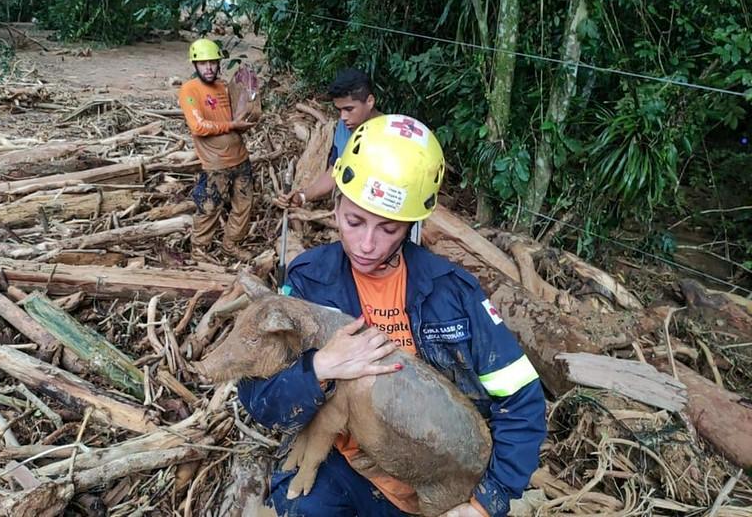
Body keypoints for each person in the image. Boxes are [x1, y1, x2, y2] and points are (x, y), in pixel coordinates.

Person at [239, 115, 547, 517]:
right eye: (354, 222)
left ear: (410, 226)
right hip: (343, 463)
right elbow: (259, 398)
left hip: (438, 472)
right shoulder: (310, 283)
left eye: (388, 229)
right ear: (335, 206)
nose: (367, 244)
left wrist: (487, 501)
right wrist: (318, 367)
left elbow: (521, 398)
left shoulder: (452, 293)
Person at [178, 39, 256, 261]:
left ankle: (231, 245)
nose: (209, 68)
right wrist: (232, 126)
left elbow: (238, 116)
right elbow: (198, 126)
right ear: (195, 65)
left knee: (244, 206)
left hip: (240, 158)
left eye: (213, 62)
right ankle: (199, 250)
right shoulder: (189, 90)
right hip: (215, 164)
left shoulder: (224, 86)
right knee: (210, 207)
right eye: (203, 63)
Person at [274, 67, 381, 209]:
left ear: (369, 101)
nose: (343, 117)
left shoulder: (392, 135)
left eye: (349, 109)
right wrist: (302, 196)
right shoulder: (343, 129)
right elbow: (335, 171)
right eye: (339, 110)